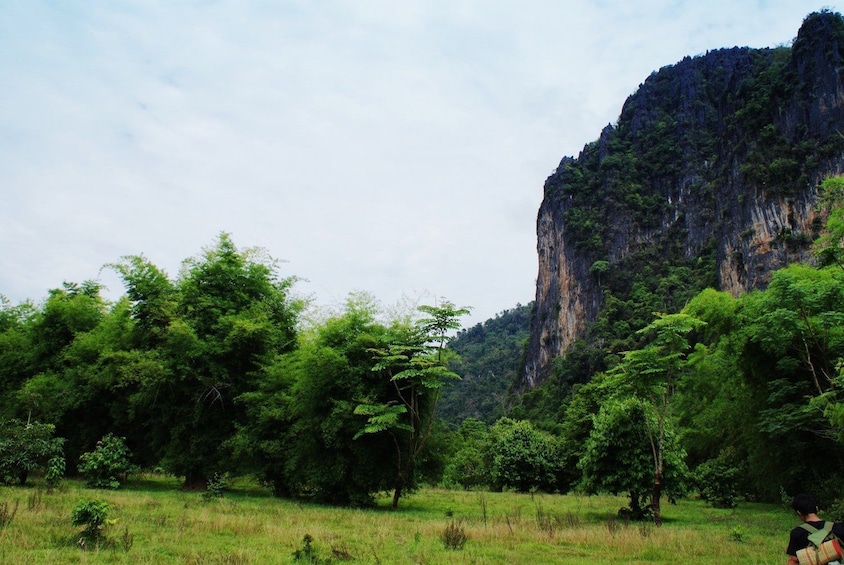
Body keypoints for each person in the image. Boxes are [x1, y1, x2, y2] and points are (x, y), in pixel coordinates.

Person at [786, 493, 844, 564]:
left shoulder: (797, 533)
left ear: (799, 512)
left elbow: (793, 560)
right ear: (816, 508)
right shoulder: (838, 528)